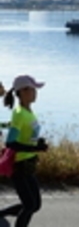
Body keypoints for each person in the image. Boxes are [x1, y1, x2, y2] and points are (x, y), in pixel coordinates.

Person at [0, 75, 49, 227]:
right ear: (22, 91)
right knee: (29, 206)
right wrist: (36, 148)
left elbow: (21, 131)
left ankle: (1, 214)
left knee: (35, 205)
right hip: (19, 165)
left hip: (29, 163)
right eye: (32, 89)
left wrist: (37, 143)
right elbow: (11, 143)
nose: (35, 92)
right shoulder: (20, 113)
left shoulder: (28, 112)